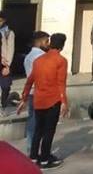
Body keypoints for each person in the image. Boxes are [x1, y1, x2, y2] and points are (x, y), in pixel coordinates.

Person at [18, 32, 68, 170]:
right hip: (53, 100)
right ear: (62, 46)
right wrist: (64, 102)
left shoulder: (38, 60)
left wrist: (24, 98)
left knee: (38, 130)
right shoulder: (61, 60)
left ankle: (33, 157)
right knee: (49, 131)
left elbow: (29, 81)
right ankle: (45, 160)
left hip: (38, 100)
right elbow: (61, 83)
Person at [23, 31, 51, 150]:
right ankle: (37, 150)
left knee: (32, 120)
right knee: (41, 123)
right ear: (39, 42)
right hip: (41, 92)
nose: (48, 44)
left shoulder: (28, 56)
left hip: (32, 93)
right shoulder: (41, 57)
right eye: (46, 41)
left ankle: (31, 147)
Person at [0, 11, 15, 110]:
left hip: (4, 63)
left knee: (5, 86)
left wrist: (7, 65)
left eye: (0, 21)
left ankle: (3, 104)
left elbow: (11, 49)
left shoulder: (8, 33)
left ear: (4, 21)